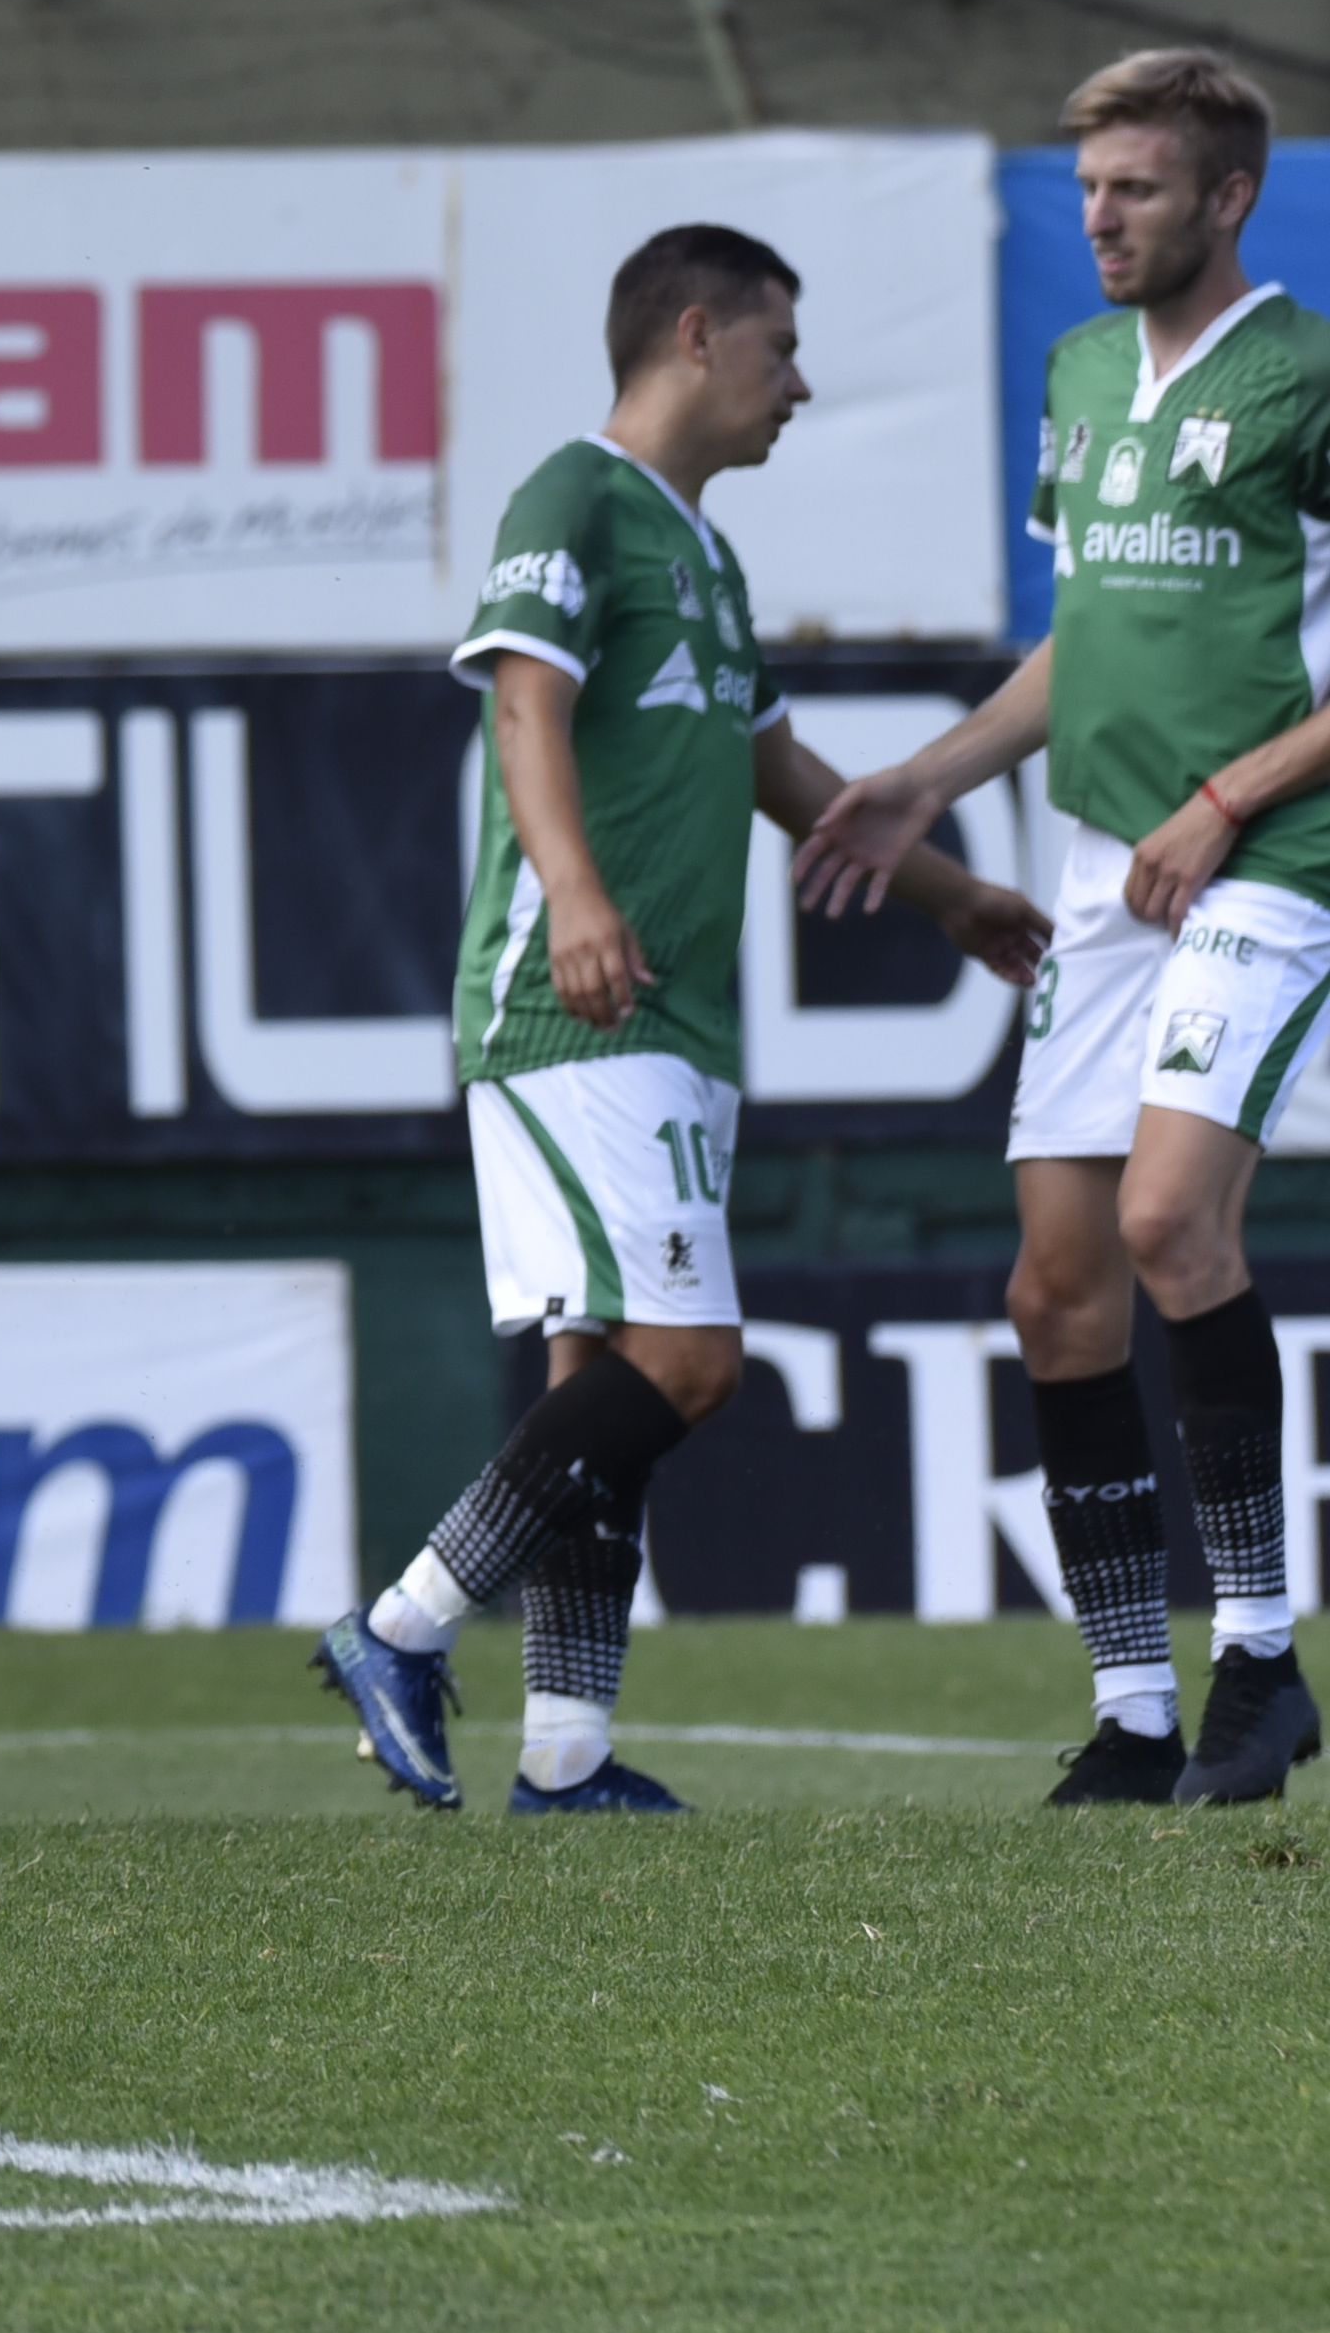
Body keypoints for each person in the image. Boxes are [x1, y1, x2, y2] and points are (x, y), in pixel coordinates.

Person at [314, 230, 1046, 1813]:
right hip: (576, 1011)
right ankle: (400, 1625)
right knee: (693, 1362)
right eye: (782, 348)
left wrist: (950, 898)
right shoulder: (570, 496)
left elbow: (777, 769)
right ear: (697, 337)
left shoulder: (701, 553)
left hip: (678, 1024)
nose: (801, 381)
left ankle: (565, 1759)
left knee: (608, 1382)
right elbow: (525, 698)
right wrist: (575, 894)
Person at [803, 48, 1330, 1805]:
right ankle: (1130, 1704)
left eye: (1137, 188)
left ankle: (1261, 1661)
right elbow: (1082, 637)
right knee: (1055, 1286)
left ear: (1227, 196)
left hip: (1266, 854)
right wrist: (921, 777)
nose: (1100, 215)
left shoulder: (1311, 380)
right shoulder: (1082, 370)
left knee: (1177, 1220)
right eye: (1089, 186)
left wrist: (1225, 796)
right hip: (1112, 867)